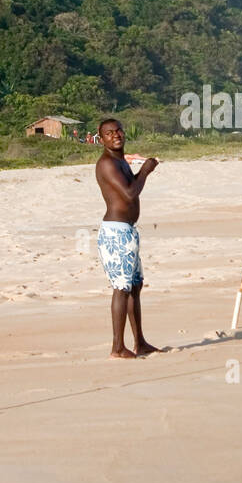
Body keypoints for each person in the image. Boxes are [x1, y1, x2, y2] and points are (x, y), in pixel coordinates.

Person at [94, 118, 163, 358]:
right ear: (100, 139)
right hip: (116, 233)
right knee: (121, 288)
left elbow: (129, 184)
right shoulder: (106, 164)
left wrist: (139, 169)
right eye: (109, 133)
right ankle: (117, 347)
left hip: (128, 231)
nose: (116, 135)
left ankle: (140, 342)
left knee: (135, 286)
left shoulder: (119, 161)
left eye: (118, 131)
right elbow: (130, 192)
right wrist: (145, 171)